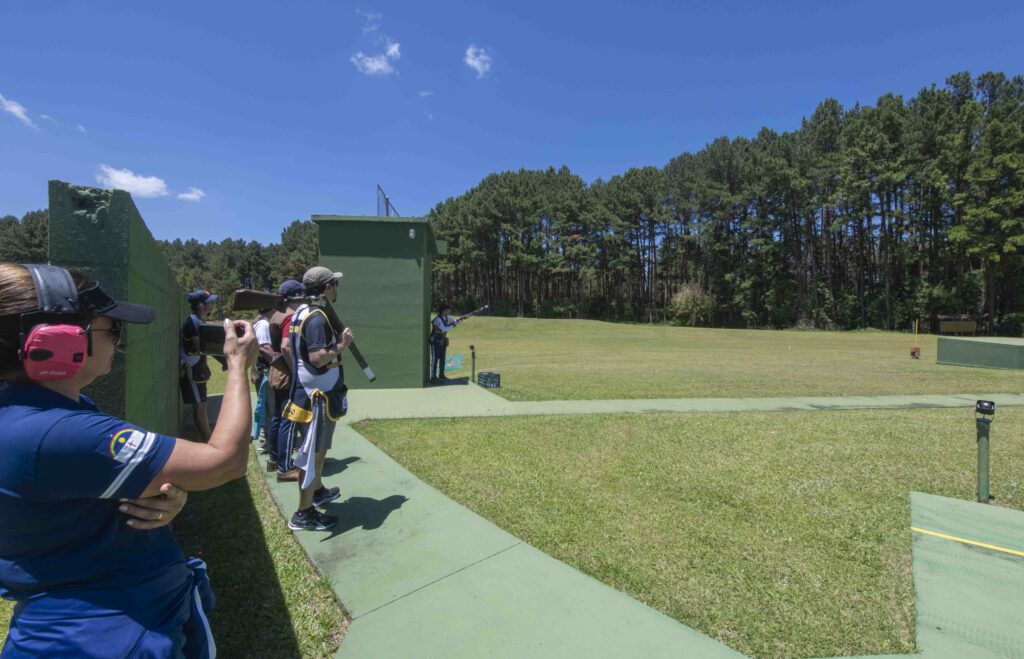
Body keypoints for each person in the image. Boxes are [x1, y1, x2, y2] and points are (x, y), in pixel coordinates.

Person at [0, 263, 258, 657]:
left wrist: (161, 493)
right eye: (111, 330)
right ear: (59, 339)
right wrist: (239, 365)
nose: (117, 342)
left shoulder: (38, 410)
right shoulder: (55, 431)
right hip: (105, 634)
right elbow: (224, 461)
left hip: (106, 617)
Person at [284, 266, 352, 531]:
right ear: (326, 287)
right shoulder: (316, 317)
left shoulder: (302, 312)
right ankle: (304, 512)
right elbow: (317, 357)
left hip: (314, 392)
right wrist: (341, 345)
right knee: (312, 454)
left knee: (317, 452)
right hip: (317, 397)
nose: (337, 287)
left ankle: (318, 490)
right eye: (334, 283)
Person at [267, 279, 304, 482]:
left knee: (277, 419)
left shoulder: (276, 315)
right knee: (287, 421)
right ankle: (285, 467)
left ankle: (274, 459)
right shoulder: (290, 317)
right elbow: (286, 347)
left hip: (276, 371)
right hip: (286, 374)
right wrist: (296, 371)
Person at [180, 289, 218, 441]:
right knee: (200, 407)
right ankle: (210, 442)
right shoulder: (194, 322)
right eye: (210, 302)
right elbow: (199, 348)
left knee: (203, 404)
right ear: (201, 305)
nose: (212, 304)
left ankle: (210, 438)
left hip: (199, 370)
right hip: (192, 370)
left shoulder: (198, 320)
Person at [251, 307, 274, 449]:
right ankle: (266, 441)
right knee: (268, 406)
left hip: (261, 370)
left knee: (267, 406)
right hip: (264, 371)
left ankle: (265, 439)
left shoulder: (261, 322)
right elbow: (264, 348)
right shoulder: (264, 324)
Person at [429, 304, 459, 382]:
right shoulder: (437, 319)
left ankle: (441, 375)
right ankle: (433, 377)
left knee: (442, 359)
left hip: (442, 341)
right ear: (443, 311)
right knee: (435, 360)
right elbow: (443, 329)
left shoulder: (446, 317)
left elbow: (453, 320)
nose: (448, 312)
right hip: (435, 341)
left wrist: (458, 321)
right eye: (447, 311)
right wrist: (453, 326)